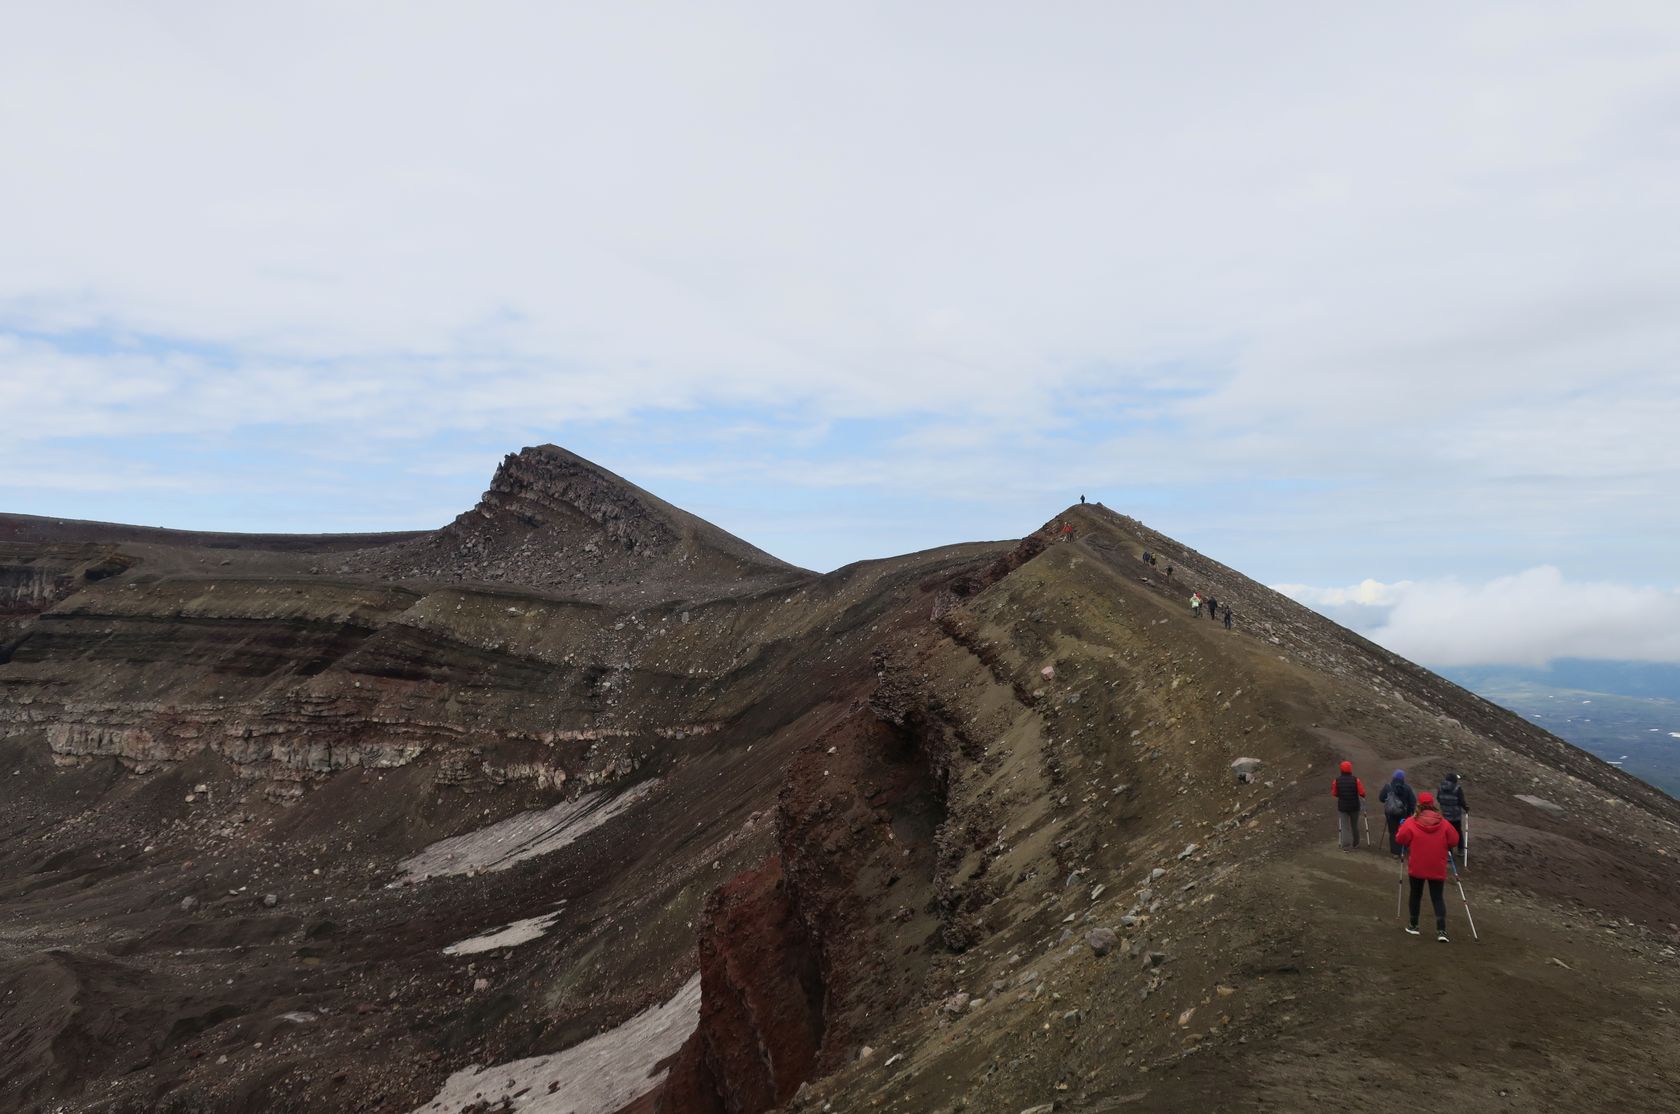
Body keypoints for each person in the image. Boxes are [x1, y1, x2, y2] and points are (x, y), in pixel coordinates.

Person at [1395, 791, 1460, 941]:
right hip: (1437, 866)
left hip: (1417, 865)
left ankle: (1414, 925)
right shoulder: (1443, 823)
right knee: (1437, 898)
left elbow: (1401, 838)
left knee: (1415, 895)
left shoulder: (1411, 821)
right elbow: (1454, 840)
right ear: (1432, 805)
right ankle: (1441, 931)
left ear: (1419, 804)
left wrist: (1402, 827)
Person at [1378, 769, 1417, 855]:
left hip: (1390, 814)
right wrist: (1410, 812)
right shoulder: (1407, 788)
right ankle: (1403, 849)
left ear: (1393, 777)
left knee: (1393, 832)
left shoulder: (1387, 786)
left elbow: (1381, 798)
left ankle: (1395, 852)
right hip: (1403, 814)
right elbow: (1412, 802)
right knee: (1403, 831)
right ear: (1403, 778)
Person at [1331, 760, 1366, 850]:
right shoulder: (1355, 780)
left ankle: (1346, 846)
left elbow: (1334, 793)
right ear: (1350, 769)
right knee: (1354, 825)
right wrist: (1362, 795)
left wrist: (1340, 795)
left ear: (1341, 769)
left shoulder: (1336, 780)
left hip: (1343, 806)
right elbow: (1362, 792)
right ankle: (1356, 843)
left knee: (1345, 826)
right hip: (1354, 806)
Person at [1437, 773, 1469, 862]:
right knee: (1458, 831)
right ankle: (1461, 850)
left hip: (1445, 815)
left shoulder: (1440, 787)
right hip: (1455, 816)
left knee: (1447, 834)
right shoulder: (1457, 788)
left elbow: (1438, 798)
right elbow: (1461, 801)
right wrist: (1466, 808)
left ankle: (1448, 854)